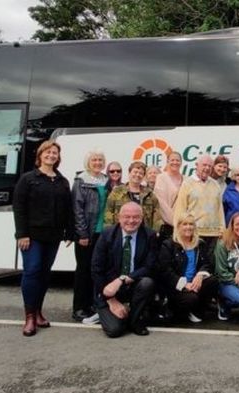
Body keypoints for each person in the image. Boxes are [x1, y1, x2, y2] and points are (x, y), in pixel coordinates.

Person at [13, 140, 72, 336]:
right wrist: (22, 234)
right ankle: (29, 317)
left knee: (45, 273)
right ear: (40, 155)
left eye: (54, 153)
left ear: (58, 157)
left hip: (53, 235)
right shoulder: (28, 179)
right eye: (48, 152)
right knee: (32, 270)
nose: (51, 155)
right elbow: (19, 208)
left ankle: (38, 311)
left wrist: (70, 232)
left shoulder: (62, 181)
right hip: (32, 236)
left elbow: (68, 210)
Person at [92, 202, 157, 337]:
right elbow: (96, 269)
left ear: (142, 218)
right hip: (108, 290)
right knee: (114, 330)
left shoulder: (149, 235)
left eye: (136, 217)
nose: (131, 221)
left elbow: (150, 266)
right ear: (119, 218)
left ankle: (134, 321)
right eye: (127, 217)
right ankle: (114, 311)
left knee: (147, 282)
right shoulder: (107, 235)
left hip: (133, 285)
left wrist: (123, 279)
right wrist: (111, 300)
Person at [156, 214, 219, 323]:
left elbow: (207, 264)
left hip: (194, 284)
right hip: (177, 286)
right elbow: (165, 270)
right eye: (184, 224)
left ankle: (196, 310)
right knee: (191, 299)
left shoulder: (200, 244)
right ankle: (177, 310)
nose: (188, 227)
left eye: (191, 224)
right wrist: (184, 284)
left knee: (213, 281)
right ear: (178, 227)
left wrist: (200, 275)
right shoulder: (169, 245)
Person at [71, 150, 108, 325]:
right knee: (83, 271)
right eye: (94, 159)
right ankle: (79, 308)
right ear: (88, 162)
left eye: (100, 160)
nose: (98, 162)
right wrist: (82, 234)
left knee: (98, 271)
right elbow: (77, 210)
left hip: (103, 233)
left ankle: (94, 306)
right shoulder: (81, 181)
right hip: (88, 234)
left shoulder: (106, 180)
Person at [173, 154, 225, 262]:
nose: (207, 168)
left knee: (210, 266)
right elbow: (180, 209)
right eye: (204, 165)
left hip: (213, 234)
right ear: (197, 165)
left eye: (210, 166)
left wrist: (222, 229)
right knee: (194, 265)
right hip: (194, 233)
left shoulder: (215, 185)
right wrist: (177, 231)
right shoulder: (187, 184)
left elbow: (219, 209)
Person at [104, 161, 162, 231]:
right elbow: (108, 212)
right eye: (135, 172)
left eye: (141, 173)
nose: (137, 175)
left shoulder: (149, 193)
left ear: (144, 177)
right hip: (120, 232)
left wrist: (155, 231)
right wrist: (109, 231)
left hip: (144, 234)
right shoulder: (117, 191)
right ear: (129, 173)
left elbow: (157, 215)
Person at [153, 151, 184, 241]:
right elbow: (162, 204)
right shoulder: (161, 178)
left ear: (181, 163)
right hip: (168, 226)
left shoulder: (186, 179)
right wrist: (176, 222)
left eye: (177, 160)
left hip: (184, 227)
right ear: (167, 162)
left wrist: (184, 224)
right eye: (172, 160)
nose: (175, 162)